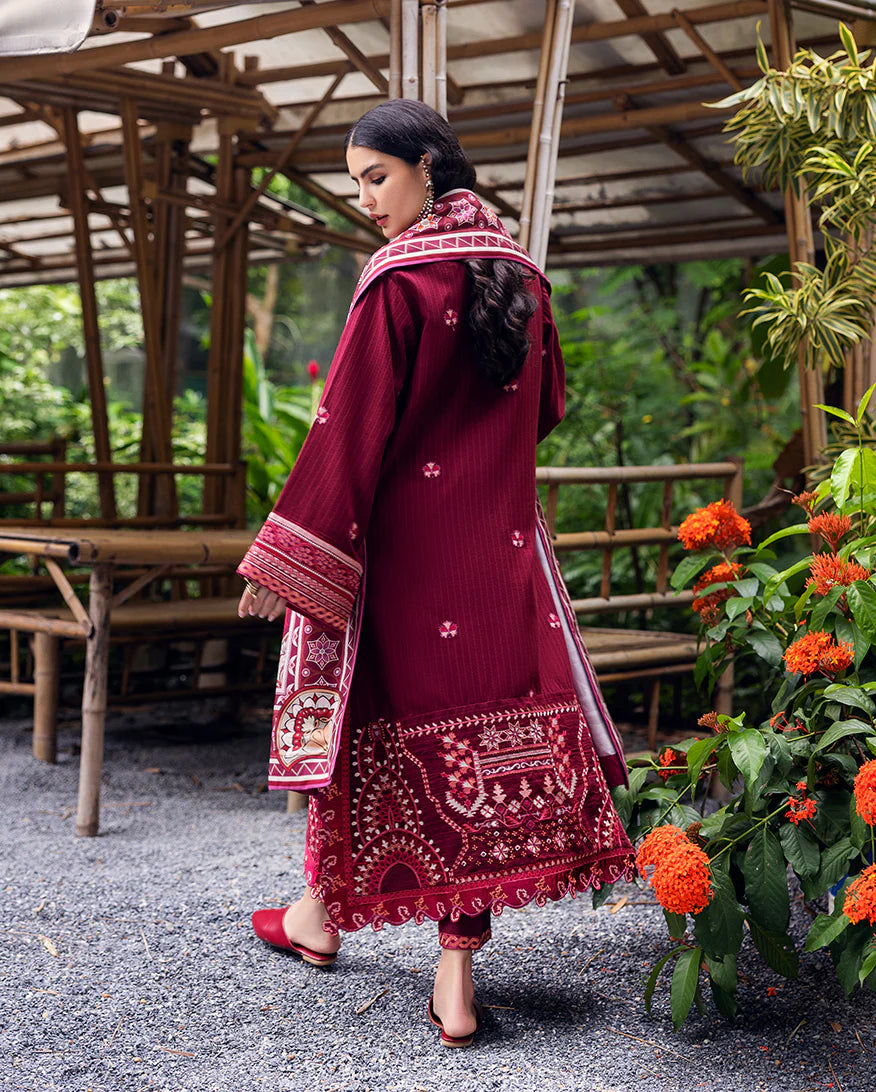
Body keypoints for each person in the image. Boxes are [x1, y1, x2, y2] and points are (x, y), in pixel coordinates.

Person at [236, 99, 635, 1049]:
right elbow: (547, 408)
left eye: (375, 177)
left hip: (407, 564)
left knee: (369, 732)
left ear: (427, 165)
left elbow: (348, 428)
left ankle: (326, 920)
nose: (366, 200)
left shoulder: (397, 282)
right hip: (499, 558)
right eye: (356, 184)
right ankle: (430, 976)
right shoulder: (519, 273)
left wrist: (289, 554)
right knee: (475, 756)